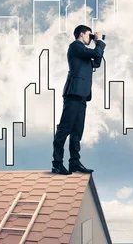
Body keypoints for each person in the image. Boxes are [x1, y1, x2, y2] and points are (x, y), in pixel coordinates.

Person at [52, 25, 106, 175]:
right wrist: (99, 41)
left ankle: (74, 163)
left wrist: (98, 43)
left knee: (77, 131)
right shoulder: (76, 46)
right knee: (64, 129)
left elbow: (97, 61)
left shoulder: (85, 53)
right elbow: (96, 52)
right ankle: (57, 163)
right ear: (82, 34)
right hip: (73, 93)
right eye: (90, 35)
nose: (91, 38)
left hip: (83, 94)